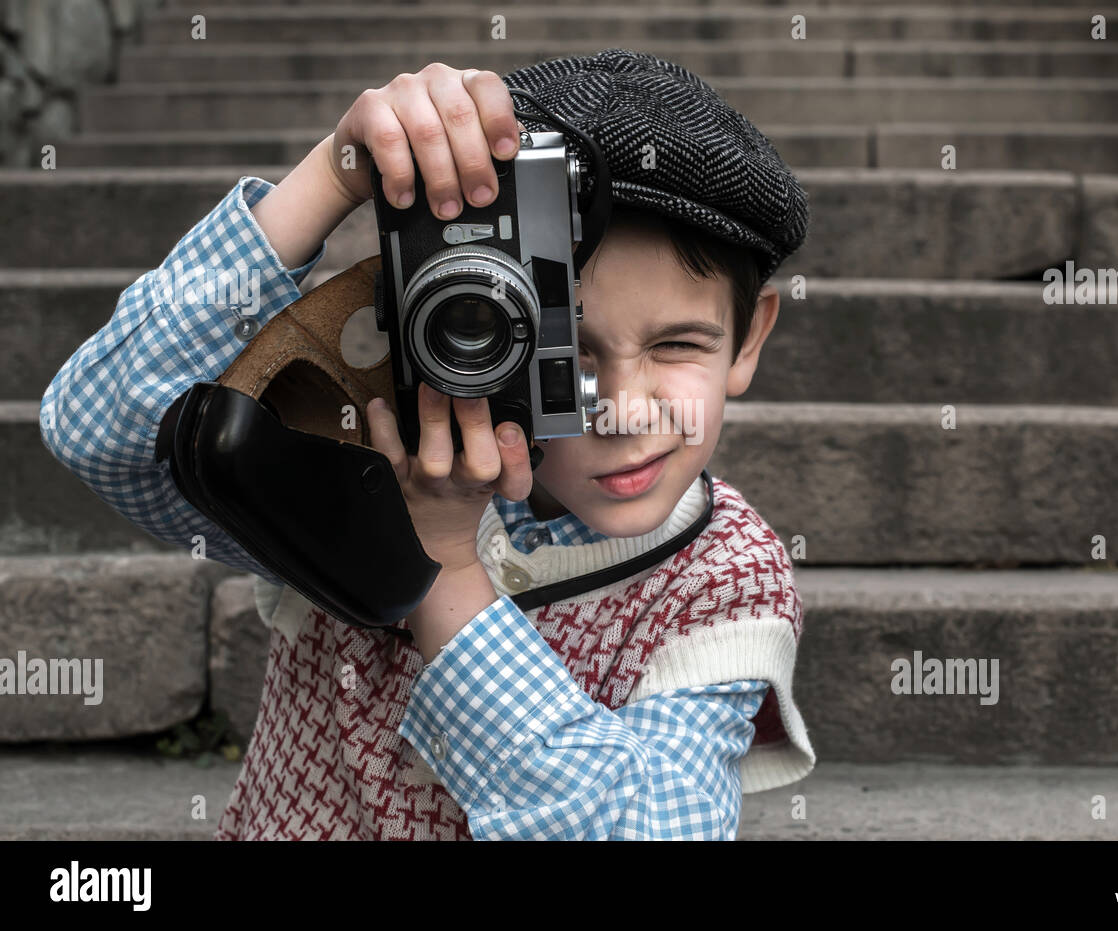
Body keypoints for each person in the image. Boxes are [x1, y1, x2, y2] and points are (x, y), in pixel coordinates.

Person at [39, 48, 814, 840]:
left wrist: (444, 569)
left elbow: (648, 829)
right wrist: (334, 177)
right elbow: (103, 433)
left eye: (678, 345)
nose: (621, 408)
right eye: (561, 351)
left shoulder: (725, 576)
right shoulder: (368, 450)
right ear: (448, 319)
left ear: (749, 338)